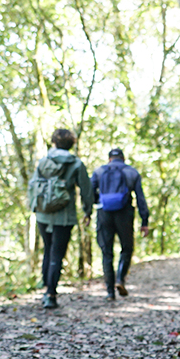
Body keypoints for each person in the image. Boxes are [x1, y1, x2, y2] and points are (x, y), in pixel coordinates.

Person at [34, 128, 93, 309]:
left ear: (54, 142)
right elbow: (86, 190)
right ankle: (51, 294)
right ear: (71, 144)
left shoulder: (44, 161)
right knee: (57, 253)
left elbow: (35, 187)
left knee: (48, 250)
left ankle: (46, 289)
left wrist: (36, 208)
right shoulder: (76, 163)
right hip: (65, 216)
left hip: (43, 214)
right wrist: (87, 211)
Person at [90, 147, 150, 299]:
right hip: (124, 213)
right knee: (127, 248)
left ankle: (110, 292)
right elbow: (140, 198)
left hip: (104, 213)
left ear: (109, 159)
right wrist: (144, 221)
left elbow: (89, 194)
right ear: (123, 158)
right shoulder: (132, 172)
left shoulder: (99, 172)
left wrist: (91, 209)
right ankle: (120, 279)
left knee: (106, 252)